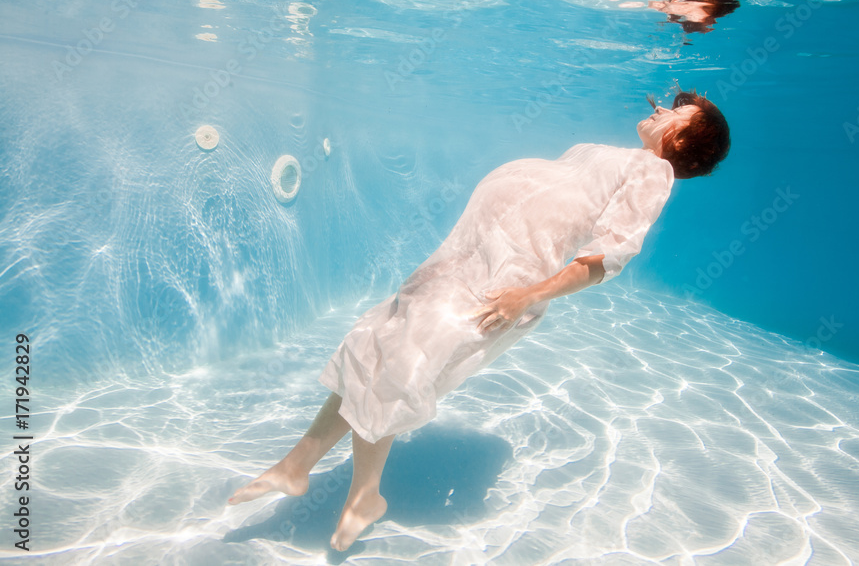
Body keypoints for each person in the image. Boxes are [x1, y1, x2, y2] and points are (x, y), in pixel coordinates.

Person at [228, 88, 731, 551]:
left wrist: (526, 295)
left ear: (683, 136)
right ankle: (296, 466)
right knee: (372, 345)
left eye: (676, 110)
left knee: (402, 366)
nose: (661, 108)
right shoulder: (612, 155)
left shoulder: (654, 172)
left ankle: (365, 497)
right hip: (465, 259)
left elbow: (607, 259)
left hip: (502, 286)